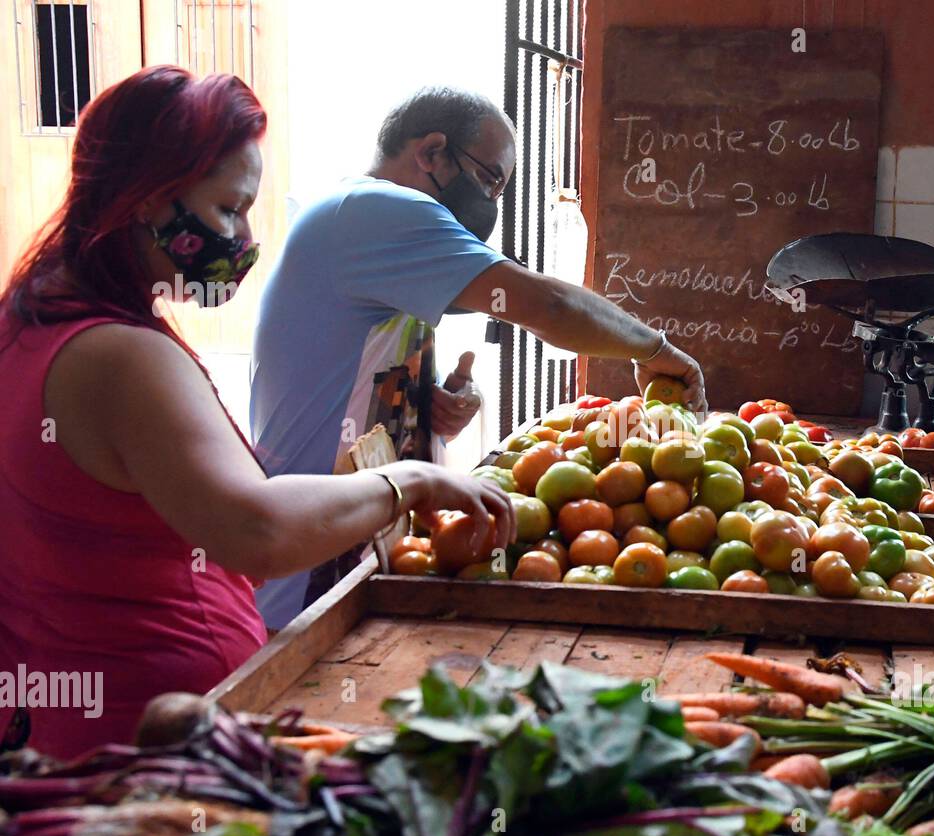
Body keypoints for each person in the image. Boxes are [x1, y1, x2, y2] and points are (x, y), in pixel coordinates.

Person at [0, 67, 513, 760]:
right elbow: (255, 530)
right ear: (151, 200)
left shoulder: (29, 319)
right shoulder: (120, 357)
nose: (243, 240)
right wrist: (410, 484)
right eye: (229, 209)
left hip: (81, 724)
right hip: (157, 747)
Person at [249, 86, 708, 629]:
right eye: (490, 179)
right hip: (311, 573)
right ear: (431, 153)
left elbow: (362, 373)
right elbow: (550, 305)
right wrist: (658, 349)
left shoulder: (372, 228)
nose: (490, 202)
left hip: (356, 549)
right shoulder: (376, 210)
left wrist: (441, 402)